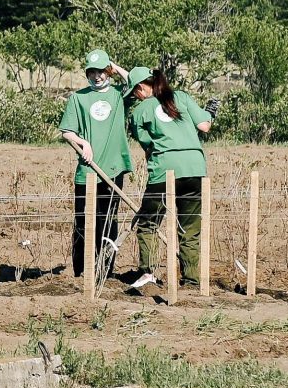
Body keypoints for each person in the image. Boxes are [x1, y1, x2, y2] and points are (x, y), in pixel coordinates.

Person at [124, 67, 210, 292]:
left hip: (165, 171)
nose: (135, 98)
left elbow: (148, 146)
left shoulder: (140, 110)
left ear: (141, 88)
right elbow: (204, 125)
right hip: (194, 168)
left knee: (148, 222)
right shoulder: (181, 96)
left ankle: (148, 274)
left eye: (134, 93)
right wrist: (209, 113)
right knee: (190, 227)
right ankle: (191, 281)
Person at [57, 48, 133, 279]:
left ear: (107, 72)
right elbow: (66, 132)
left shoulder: (120, 95)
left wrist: (113, 64)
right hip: (87, 171)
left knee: (109, 219)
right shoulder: (78, 98)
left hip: (113, 168)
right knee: (83, 220)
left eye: (101, 71)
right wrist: (83, 143)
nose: (97, 76)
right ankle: (81, 272)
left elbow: (136, 81)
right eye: (92, 72)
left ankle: (105, 271)